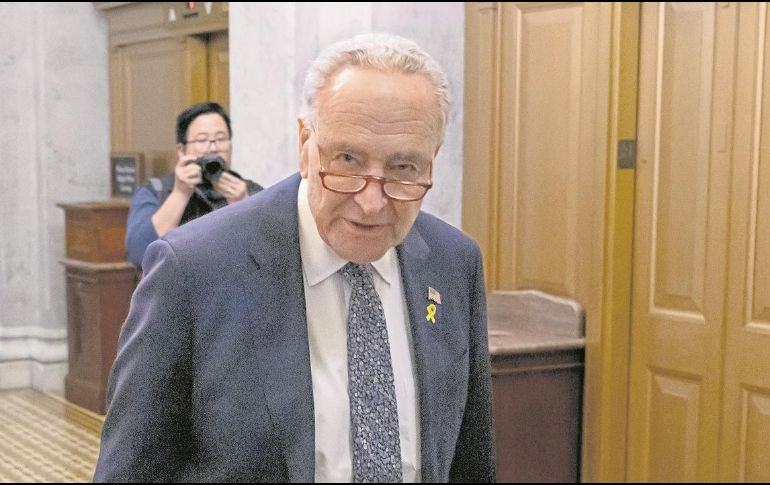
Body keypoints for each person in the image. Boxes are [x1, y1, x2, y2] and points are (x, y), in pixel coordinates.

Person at [94, 33, 494, 483]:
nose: (372, 202)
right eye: (347, 159)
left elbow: (470, 462)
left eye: (404, 168)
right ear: (305, 144)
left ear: (432, 160)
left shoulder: (454, 263)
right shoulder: (193, 269)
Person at [124, 102, 263, 267]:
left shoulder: (250, 192)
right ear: (182, 150)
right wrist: (180, 193)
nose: (213, 148)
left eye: (221, 139)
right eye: (202, 140)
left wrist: (244, 206)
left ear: (230, 146)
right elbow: (139, 253)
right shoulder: (154, 191)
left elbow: (274, 253)